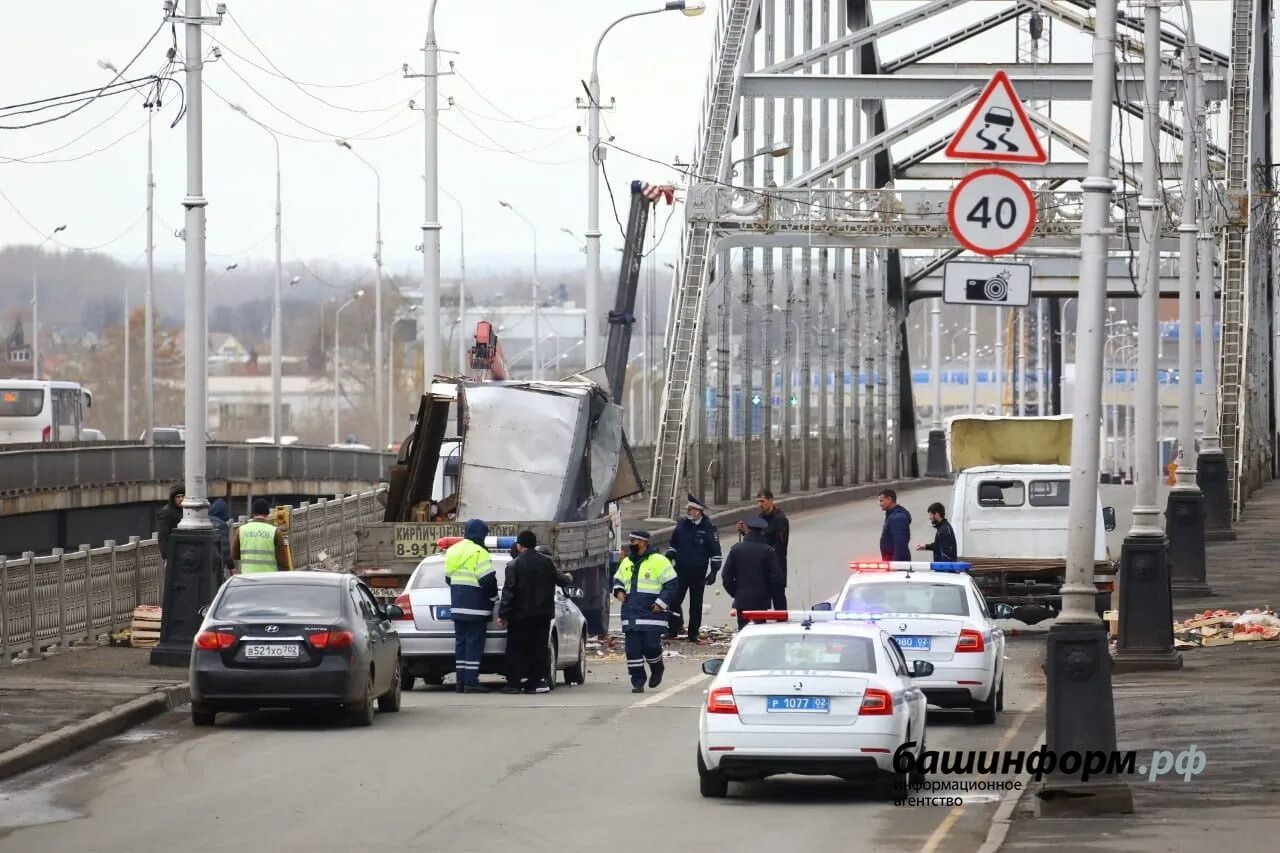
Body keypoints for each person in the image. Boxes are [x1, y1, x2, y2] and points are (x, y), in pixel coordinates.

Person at [498, 531, 572, 695]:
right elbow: (562, 580)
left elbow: (508, 592)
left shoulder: (513, 565)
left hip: (519, 616)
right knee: (539, 648)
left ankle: (514, 684)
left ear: (519, 545)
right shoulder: (547, 562)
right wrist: (569, 577)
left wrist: (503, 614)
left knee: (515, 649)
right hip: (542, 615)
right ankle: (537, 682)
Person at [612, 531, 678, 693]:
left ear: (642, 543)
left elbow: (671, 584)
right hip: (631, 613)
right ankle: (638, 681)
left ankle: (657, 668)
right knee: (632, 650)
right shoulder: (627, 561)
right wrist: (619, 591)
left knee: (650, 647)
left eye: (633, 541)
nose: (630, 544)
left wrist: (660, 604)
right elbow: (618, 580)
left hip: (652, 614)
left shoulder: (659, 561)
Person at [445, 519, 499, 694]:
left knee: (460, 644)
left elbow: (448, 578)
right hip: (476, 608)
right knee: (474, 644)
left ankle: (460, 682)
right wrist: (493, 597)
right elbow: (487, 580)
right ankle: (471, 682)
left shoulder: (453, 550)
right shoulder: (479, 552)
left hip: (458, 606)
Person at [664, 494, 722, 643]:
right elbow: (673, 544)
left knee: (695, 605)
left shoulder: (709, 527)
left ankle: (693, 633)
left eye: (691, 510)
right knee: (674, 601)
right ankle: (674, 628)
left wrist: (714, 571)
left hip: (698, 573)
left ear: (699, 511)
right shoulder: (682, 525)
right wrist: (669, 556)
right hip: (680, 571)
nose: (689, 512)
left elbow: (715, 551)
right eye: (688, 509)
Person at [722, 516, 786, 631]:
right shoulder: (768, 551)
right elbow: (777, 577)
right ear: (761, 532)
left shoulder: (736, 549)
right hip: (761, 600)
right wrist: (769, 593)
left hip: (742, 600)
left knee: (743, 630)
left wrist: (736, 593)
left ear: (748, 530)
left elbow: (726, 576)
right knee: (759, 631)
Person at [736, 489, 789, 608]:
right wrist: (746, 532)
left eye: (762, 501)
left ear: (771, 500)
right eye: (758, 502)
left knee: (779, 600)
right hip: (761, 568)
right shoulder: (759, 517)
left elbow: (780, 546)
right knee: (760, 603)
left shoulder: (780, 519)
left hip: (776, 567)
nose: (760, 504)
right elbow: (754, 541)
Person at [231, 498, 290, 574]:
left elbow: (235, 555)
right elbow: (282, 561)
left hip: (247, 577)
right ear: (268, 514)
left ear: (253, 514)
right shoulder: (274, 531)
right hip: (268, 578)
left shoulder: (241, 530)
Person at [878, 488, 912, 562]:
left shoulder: (898, 518)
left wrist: (895, 565)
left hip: (897, 565)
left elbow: (900, 545)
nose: (880, 504)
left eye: (881, 501)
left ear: (889, 499)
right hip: (892, 562)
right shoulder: (892, 515)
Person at [156, 484, 184, 566]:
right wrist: (166, 556)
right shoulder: (167, 512)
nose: (181, 499)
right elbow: (163, 535)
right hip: (173, 553)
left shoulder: (186, 510)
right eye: (178, 497)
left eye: (182, 496)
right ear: (173, 498)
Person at [208, 498, 235, 579]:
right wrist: (232, 568)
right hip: (216, 566)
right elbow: (225, 549)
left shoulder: (203, 521)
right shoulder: (222, 525)